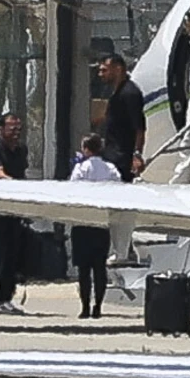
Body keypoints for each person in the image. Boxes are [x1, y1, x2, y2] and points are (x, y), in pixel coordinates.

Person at [98, 53, 146, 264]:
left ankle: (123, 253)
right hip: (111, 156)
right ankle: (125, 249)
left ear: (118, 68)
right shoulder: (115, 93)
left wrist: (136, 155)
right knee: (113, 207)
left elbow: (139, 128)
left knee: (122, 208)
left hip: (123, 158)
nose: (101, 73)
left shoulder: (130, 93)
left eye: (105, 69)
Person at [0, 112, 29, 315]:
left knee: (12, 253)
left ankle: (5, 298)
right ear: (1, 129)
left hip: (14, 208)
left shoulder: (21, 150)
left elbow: (23, 173)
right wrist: (13, 184)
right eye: (11, 128)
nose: (16, 132)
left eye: (18, 128)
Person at [69, 134, 121, 319]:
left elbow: (72, 191)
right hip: (101, 222)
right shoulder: (110, 168)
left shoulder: (80, 169)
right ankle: (98, 306)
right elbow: (118, 188)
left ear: (85, 149)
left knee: (84, 269)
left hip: (83, 222)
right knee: (99, 268)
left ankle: (84, 307)